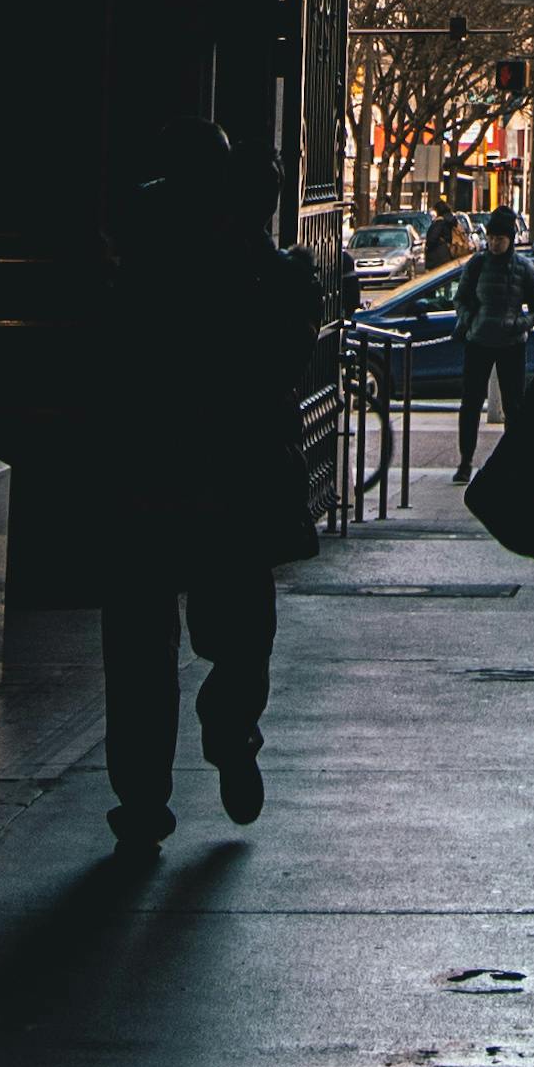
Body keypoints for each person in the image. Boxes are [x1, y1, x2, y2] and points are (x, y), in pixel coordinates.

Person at [97, 118, 330, 857]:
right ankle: (219, 741)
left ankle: (148, 798)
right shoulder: (267, 275)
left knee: (149, 648)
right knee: (229, 633)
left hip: (157, 473)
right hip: (225, 478)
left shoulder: (154, 266)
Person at [453, 201, 534, 479]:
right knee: (470, 402)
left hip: (511, 342)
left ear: (510, 239)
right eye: (492, 238)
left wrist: (521, 324)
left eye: (500, 238)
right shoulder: (477, 264)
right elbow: (460, 298)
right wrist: (471, 319)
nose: (494, 243)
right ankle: (465, 461)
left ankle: (513, 462)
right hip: (479, 339)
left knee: (514, 405)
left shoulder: (524, 268)